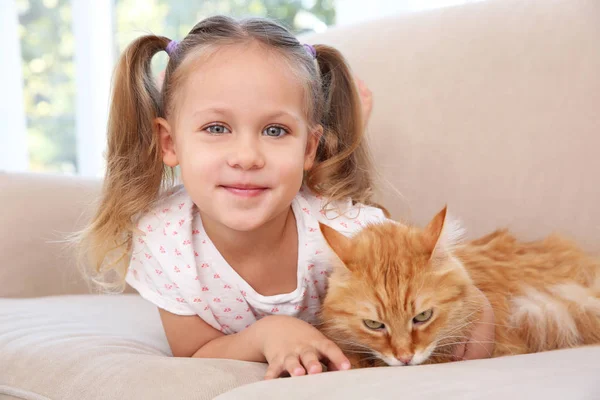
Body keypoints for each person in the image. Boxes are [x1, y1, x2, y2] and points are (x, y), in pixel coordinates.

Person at [78, 15, 494, 380]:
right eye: (217, 128)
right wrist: (266, 334)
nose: (246, 157)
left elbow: (447, 287)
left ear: (309, 148)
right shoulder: (163, 239)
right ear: (169, 142)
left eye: (275, 130)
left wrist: (475, 323)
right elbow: (193, 351)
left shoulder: (346, 230)